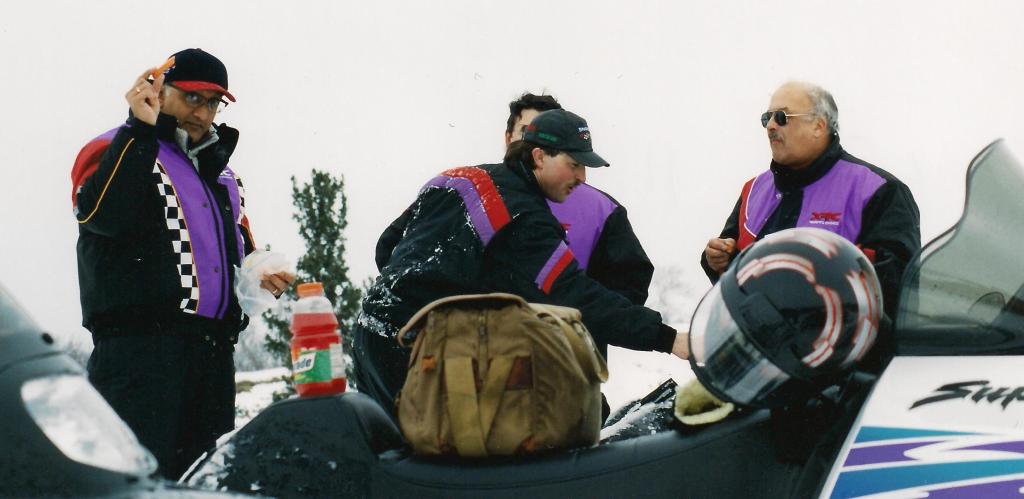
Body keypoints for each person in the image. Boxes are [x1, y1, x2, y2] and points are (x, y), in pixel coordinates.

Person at [355, 109, 688, 412]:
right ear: (539, 157)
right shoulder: (524, 217)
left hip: (370, 333)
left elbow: (387, 247)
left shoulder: (457, 178)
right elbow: (573, 295)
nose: (583, 177)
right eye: (574, 164)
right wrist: (667, 338)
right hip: (417, 355)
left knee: (390, 455)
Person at [70, 48, 292, 479]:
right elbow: (100, 216)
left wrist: (257, 272)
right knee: (138, 481)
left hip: (213, 357)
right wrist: (139, 129)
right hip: (139, 353)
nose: (203, 113)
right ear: (158, 90)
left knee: (204, 480)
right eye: (192, 98)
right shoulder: (113, 146)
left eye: (213, 103)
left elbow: (240, 248)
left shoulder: (224, 176)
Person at [700, 81, 919, 371]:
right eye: (766, 118)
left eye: (782, 117)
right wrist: (717, 258)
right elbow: (731, 267)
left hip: (840, 369)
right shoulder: (754, 190)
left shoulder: (878, 189)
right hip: (756, 365)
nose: (771, 126)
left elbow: (897, 285)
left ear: (819, 125)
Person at [376, 93, 654, 307]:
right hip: (472, 351)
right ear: (509, 137)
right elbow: (393, 248)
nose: (532, 141)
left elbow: (631, 282)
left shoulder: (601, 209)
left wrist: (581, 320)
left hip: (566, 355)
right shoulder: (469, 191)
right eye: (526, 132)